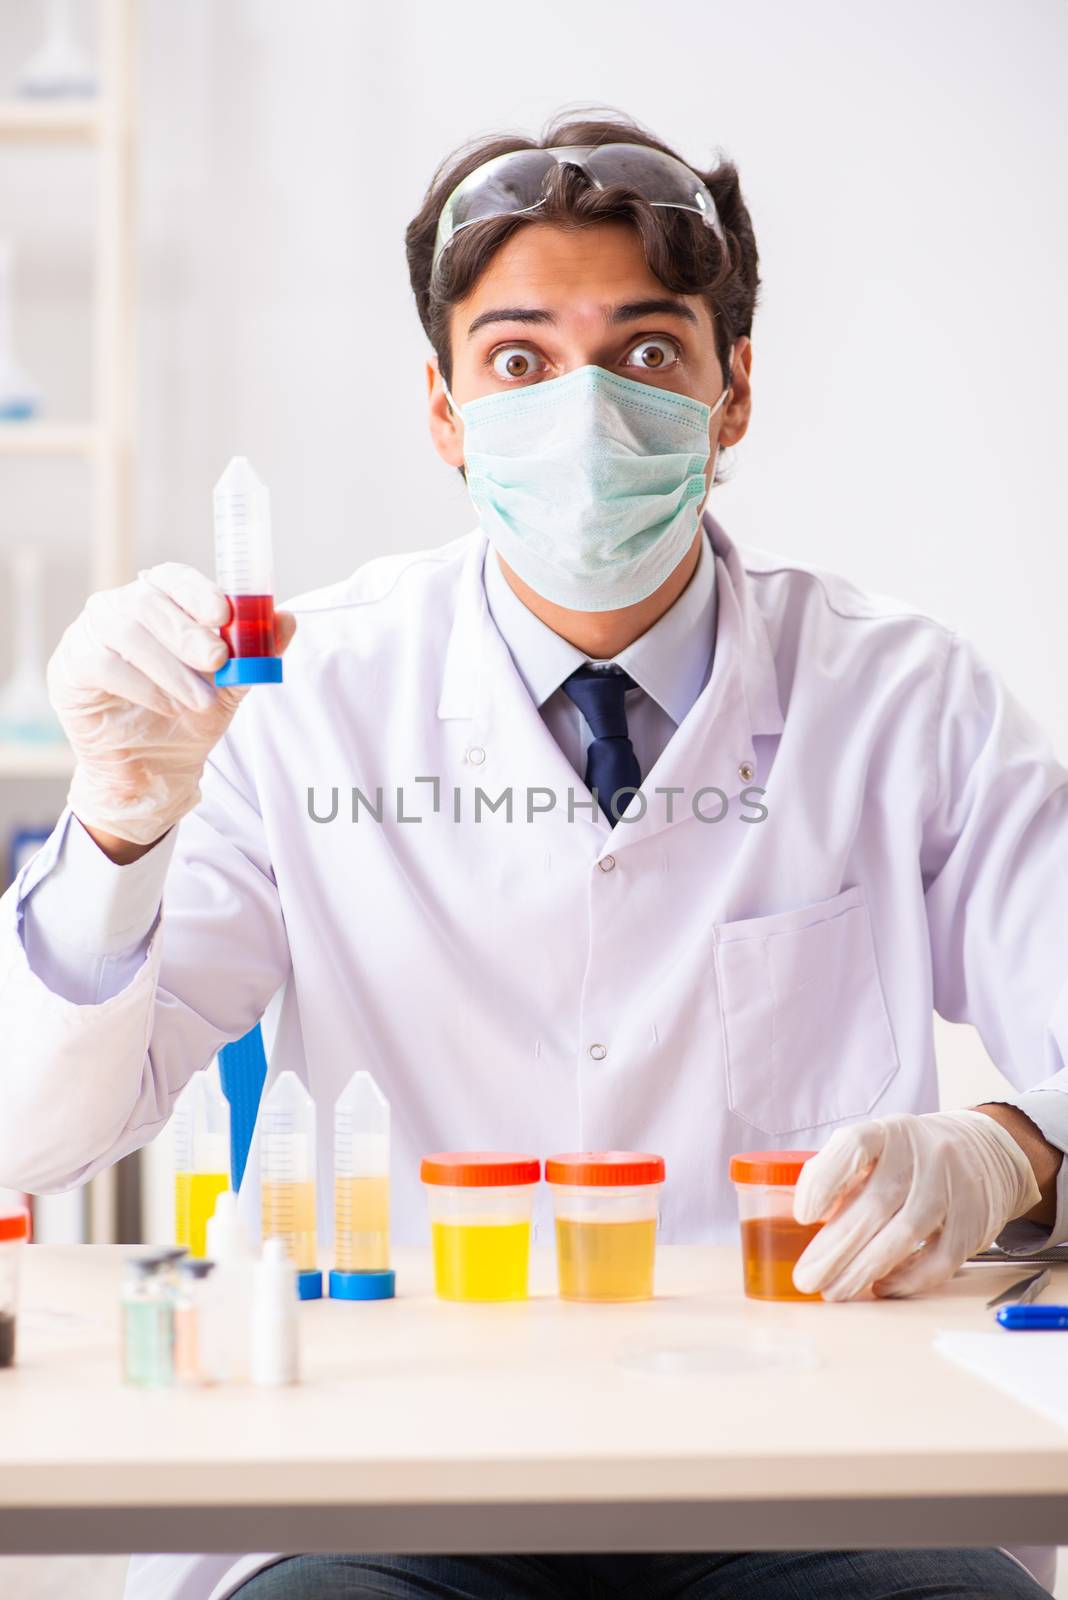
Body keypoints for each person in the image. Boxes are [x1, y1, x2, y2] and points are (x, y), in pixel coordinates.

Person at [1, 110, 1065, 1600]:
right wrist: (118, 822)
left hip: (815, 1472)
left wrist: (1013, 1150)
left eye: (644, 354)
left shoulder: (904, 701)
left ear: (731, 390)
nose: (583, 414)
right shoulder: (298, 703)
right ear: (442, 411)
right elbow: (35, 1137)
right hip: (383, 1485)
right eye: (516, 362)